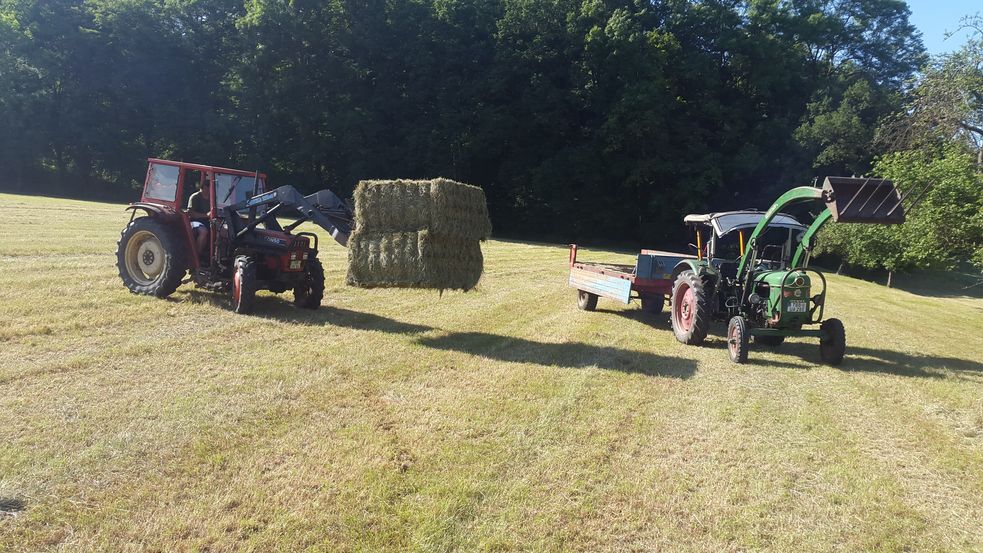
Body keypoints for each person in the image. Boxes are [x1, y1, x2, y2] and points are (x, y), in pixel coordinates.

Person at [187, 179, 210, 261]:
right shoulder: (195, 197)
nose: (209, 190)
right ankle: (197, 257)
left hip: (208, 221)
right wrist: (206, 215)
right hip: (195, 222)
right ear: (203, 187)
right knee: (203, 231)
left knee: (223, 231)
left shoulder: (213, 198)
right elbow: (191, 213)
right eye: (207, 188)